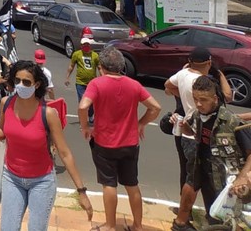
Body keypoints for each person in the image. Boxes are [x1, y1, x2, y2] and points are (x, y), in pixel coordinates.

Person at [0, 61, 93, 231]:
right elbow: (3, 131)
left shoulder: (48, 114)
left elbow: (64, 152)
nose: (20, 85)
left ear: (37, 84)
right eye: (17, 81)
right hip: (12, 178)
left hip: (42, 182)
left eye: (26, 82)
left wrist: (81, 191)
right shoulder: (6, 103)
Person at [78, 47, 160, 231]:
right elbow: (155, 107)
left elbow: (83, 107)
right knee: (132, 184)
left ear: (101, 67)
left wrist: (85, 127)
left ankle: (110, 225)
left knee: (109, 184)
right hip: (130, 143)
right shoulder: (134, 85)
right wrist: (141, 123)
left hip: (104, 143)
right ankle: (138, 225)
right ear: (121, 66)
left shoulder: (97, 84)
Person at [171, 75, 251, 231]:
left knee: (230, 223)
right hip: (206, 176)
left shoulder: (232, 122)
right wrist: (182, 126)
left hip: (227, 185)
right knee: (214, 217)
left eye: (203, 100)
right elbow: (197, 135)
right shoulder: (197, 116)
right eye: (195, 99)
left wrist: (241, 178)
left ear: (214, 98)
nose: (199, 104)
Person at [166, 47, 235, 205]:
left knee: (187, 173)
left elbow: (167, 86)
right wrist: (219, 72)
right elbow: (228, 96)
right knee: (204, 178)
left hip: (184, 130)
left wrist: (183, 94)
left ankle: (185, 213)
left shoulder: (182, 74)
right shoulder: (206, 86)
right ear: (209, 62)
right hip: (201, 133)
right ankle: (197, 215)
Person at [65, 37, 98, 124]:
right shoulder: (77, 54)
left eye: (87, 44)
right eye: (84, 44)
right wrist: (67, 77)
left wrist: (104, 79)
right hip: (80, 82)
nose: (86, 46)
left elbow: (100, 68)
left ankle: (91, 116)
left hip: (92, 83)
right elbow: (71, 66)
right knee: (82, 101)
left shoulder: (95, 55)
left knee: (91, 102)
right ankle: (82, 121)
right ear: (81, 45)